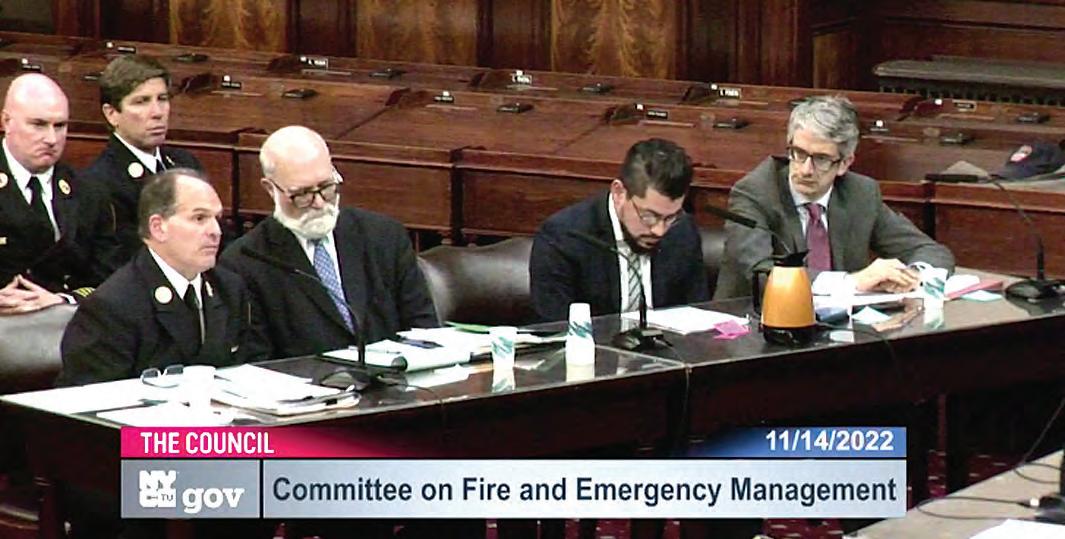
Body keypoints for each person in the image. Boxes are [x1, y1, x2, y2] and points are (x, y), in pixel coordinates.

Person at [219, 125, 437, 361]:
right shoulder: (245, 262)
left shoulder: (384, 236)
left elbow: (424, 332)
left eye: (327, 187)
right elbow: (258, 364)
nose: (320, 203)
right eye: (303, 194)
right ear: (271, 189)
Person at [714, 95, 954, 299]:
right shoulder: (754, 194)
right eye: (798, 153)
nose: (806, 169)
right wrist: (852, 282)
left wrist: (910, 275)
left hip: (840, 329)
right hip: (756, 326)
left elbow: (930, 251)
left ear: (845, 163)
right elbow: (760, 274)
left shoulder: (860, 193)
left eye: (821, 159)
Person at [58, 169, 249, 386]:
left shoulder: (229, 288)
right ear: (158, 228)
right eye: (199, 218)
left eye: (217, 218)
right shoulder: (113, 306)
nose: (216, 231)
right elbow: (89, 398)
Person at [529, 137, 708, 323]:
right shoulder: (564, 238)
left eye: (670, 217)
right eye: (649, 216)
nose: (659, 231)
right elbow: (556, 328)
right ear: (619, 193)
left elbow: (697, 318)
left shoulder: (683, 231)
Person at [0, 73, 119, 314]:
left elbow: (109, 278)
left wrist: (63, 300)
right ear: (6, 122)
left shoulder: (89, 192)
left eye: (60, 126)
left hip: (67, 321)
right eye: (38, 124)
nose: (51, 139)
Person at [80, 54, 202, 264]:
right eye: (141, 102)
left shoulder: (185, 163)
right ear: (112, 114)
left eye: (162, 99)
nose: (157, 112)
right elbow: (124, 261)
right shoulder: (101, 184)